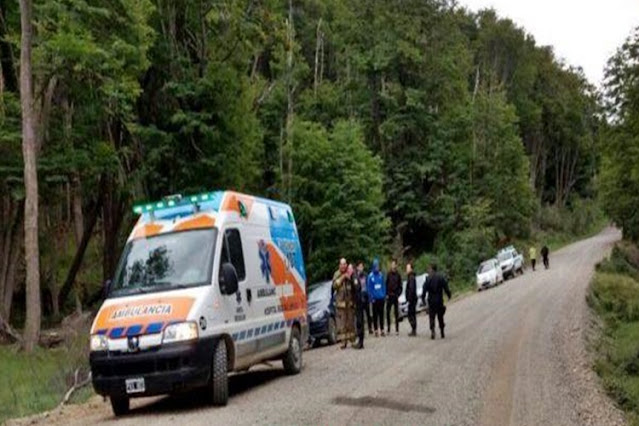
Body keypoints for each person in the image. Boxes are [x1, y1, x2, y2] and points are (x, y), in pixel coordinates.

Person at [422, 263, 451, 340]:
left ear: (432, 269)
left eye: (429, 269)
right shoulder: (440, 277)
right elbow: (446, 287)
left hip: (431, 300)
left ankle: (432, 331)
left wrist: (423, 299)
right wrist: (449, 295)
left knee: (432, 317)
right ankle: (442, 331)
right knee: (440, 316)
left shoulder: (428, 279)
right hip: (439, 300)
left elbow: (424, 290)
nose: (428, 270)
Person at [332, 259, 356, 349]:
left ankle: (352, 340)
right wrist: (342, 278)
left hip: (349, 304)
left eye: (344, 264)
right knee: (342, 325)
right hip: (340, 305)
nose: (343, 266)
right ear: (339, 265)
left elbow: (354, 286)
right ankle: (343, 342)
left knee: (351, 323)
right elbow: (334, 286)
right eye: (341, 264)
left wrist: (349, 277)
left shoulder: (350, 273)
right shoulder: (336, 274)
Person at [367, 258, 386, 337]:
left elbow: (383, 286)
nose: (377, 268)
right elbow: (369, 288)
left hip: (381, 298)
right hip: (374, 299)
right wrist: (371, 298)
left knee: (381, 314)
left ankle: (382, 329)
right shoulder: (370, 276)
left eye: (378, 266)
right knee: (375, 315)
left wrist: (384, 295)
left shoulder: (381, 275)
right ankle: (375, 330)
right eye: (376, 266)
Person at [385, 259, 403, 336]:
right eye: (392, 264)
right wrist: (387, 294)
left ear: (396, 265)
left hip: (395, 295)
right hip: (389, 295)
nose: (393, 266)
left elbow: (400, 286)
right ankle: (388, 329)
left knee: (396, 313)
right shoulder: (388, 274)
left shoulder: (398, 275)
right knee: (388, 312)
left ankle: (397, 329)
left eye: (394, 264)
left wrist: (398, 294)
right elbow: (386, 284)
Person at [353, 262, 367, 349]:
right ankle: (360, 341)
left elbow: (357, 288)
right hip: (359, 301)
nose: (361, 268)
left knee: (360, 321)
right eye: (360, 266)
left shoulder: (357, 277)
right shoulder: (356, 276)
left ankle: (361, 342)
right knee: (359, 321)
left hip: (360, 301)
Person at [405, 262, 418, 336]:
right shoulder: (410, 277)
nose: (406, 269)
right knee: (412, 314)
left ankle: (414, 329)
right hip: (412, 299)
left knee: (411, 314)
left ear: (411, 269)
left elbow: (411, 289)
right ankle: (414, 329)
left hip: (412, 299)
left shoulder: (411, 277)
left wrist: (409, 299)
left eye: (407, 268)